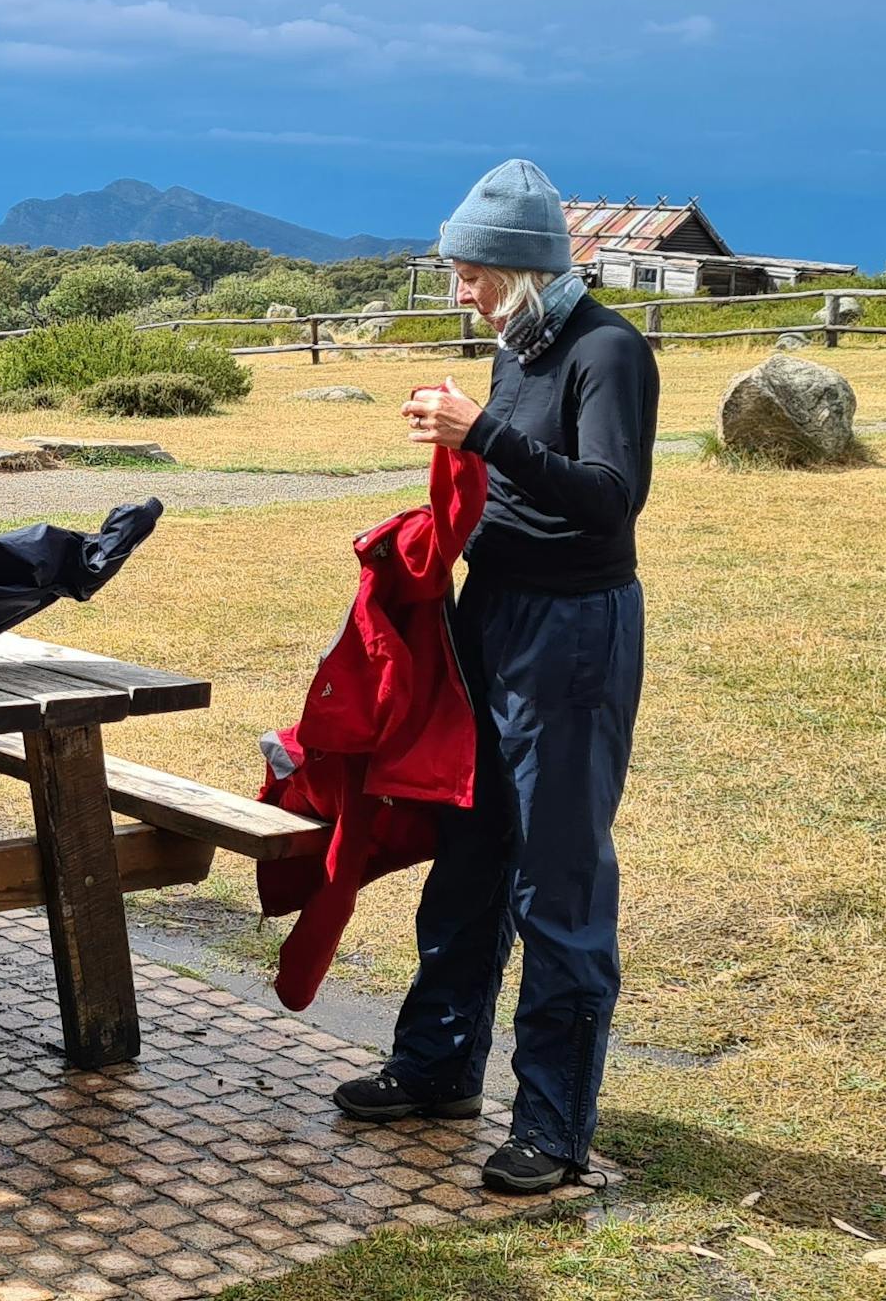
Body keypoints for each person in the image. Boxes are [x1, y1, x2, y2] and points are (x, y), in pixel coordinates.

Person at [331, 159, 658, 1195]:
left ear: (518, 268)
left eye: (470, 273)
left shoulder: (607, 350)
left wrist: (485, 434)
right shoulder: (519, 348)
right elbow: (505, 488)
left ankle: (553, 1127)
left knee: (557, 878)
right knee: (469, 853)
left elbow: (608, 497)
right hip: (493, 619)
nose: (460, 291)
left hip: (573, 633)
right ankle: (437, 1068)